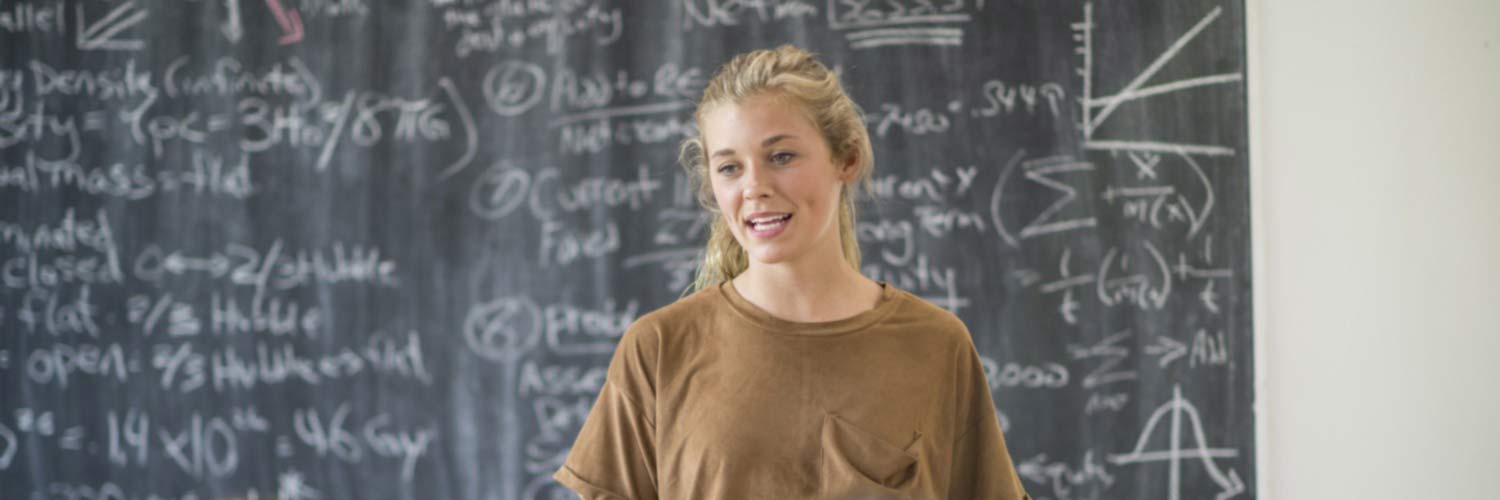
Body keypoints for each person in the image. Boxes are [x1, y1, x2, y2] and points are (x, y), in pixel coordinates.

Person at [553, 45, 1031, 500]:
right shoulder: (658, 349)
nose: (754, 187)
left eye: (781, 157)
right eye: (729, 168)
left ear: (846, 159)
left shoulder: (936, 345)